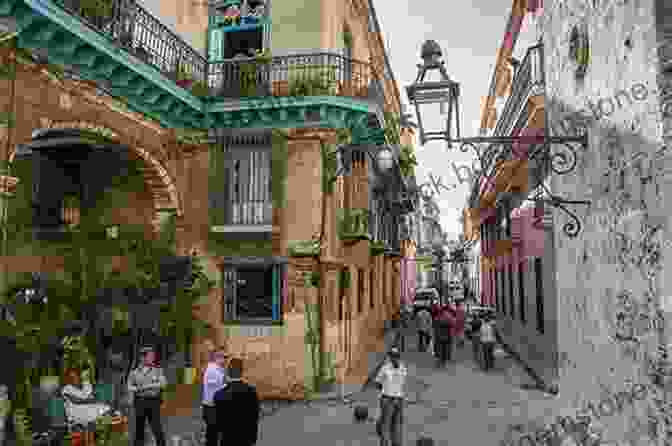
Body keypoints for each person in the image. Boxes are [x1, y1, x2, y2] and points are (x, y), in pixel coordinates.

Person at [214, 357, 260, 446]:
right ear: (242, 372)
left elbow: (217, 423)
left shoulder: (219, 395)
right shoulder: (251, 392)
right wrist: (253, 439)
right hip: (246, 440)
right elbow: (254, 417)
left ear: (228, 373)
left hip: (227, 440)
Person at [128, 346, 167, 446]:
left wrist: (146, 386)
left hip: (153, 402)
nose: (152, 358)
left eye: (153, 356)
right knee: (139, 429)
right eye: (150, 356)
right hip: (140, 402)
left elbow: (163, 383)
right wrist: (138, 389)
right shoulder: (135, 372)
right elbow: (129, 387)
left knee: (157, 428)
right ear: (142, 358)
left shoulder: (157, 370)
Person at [374, 347, 406, 446]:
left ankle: (396, 443)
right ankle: (385, 443)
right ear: (390, 357)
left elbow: (399, 383)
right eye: (393, 356)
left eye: (396, 356)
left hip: (398, 400)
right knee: (386, 425)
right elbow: (377, 382)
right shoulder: (385, 368)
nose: (395, 358)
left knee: (396, 424)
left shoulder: (402, 368)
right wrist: (385, 391)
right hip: (387, 399)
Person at [202, 347, 229, 446]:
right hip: (211, 408)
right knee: (212, 437)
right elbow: (225, 383)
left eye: (227, 357)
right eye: (224, 357)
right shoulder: (212, 370)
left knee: (215, 435)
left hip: (216, 407)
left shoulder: (220, 369)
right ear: (217, 357)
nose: (226, 360)